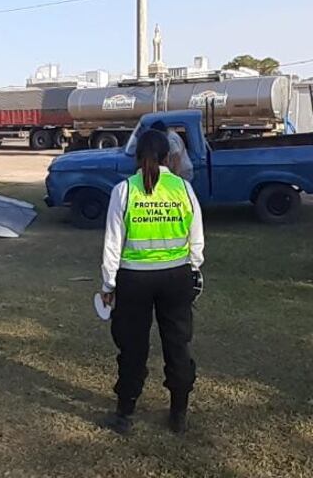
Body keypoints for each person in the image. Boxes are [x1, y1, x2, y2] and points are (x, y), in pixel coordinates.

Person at [97, 128, 205, 435]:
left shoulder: (124, 191)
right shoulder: (183, 188)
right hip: (177, 278)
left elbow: (112, 244)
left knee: (132, 348)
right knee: (178, 345)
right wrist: (194, 270)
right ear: (168, 156)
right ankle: (179, 415)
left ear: (136, 155)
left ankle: (124, 414)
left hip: (133, 280)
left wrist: (108, 285)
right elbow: (196, 238)